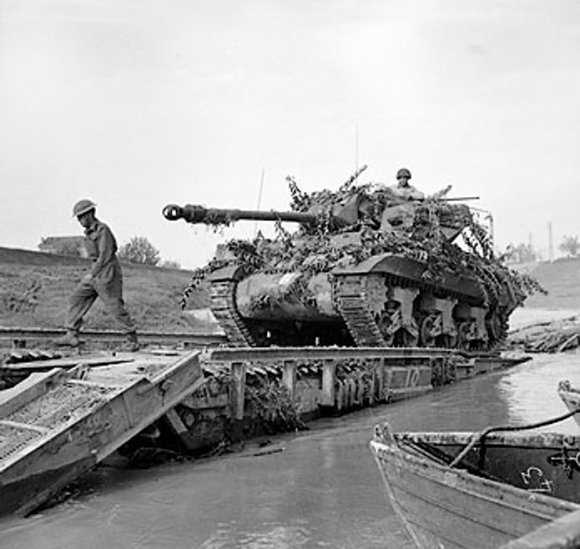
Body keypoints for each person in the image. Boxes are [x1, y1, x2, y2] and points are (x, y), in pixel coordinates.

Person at [54, 199, 140, 351]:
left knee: (114, 305)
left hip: (108, 272)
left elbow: (106, 255)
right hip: (96, 271)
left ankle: (131, 339)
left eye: (82, 216)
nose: (80, 221)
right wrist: (92, 273)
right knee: (76, 297)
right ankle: (71, 333)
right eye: (78, 218)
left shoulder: (102, 230)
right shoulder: (88, 233)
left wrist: (92, 273)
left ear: (91, 214)